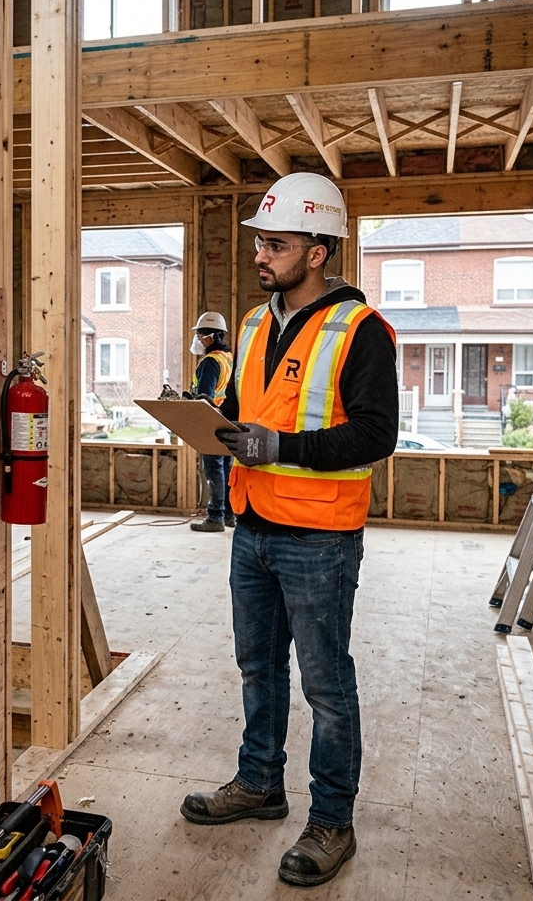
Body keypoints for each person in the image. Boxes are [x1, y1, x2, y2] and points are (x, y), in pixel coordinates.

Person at [179, 172, 399, 888]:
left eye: (274, 243)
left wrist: (282, 448)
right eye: (259, 243)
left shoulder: (362, 331)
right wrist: (207, 425)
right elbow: (248, 411)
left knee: (327, 686)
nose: (260, 255)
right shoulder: (250, 323)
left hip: (321, 538)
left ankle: (332, 822)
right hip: (253, 524)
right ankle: (260, 784)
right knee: (257, 668)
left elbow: (375, 435)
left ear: (317, 251)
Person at [188, 311, 235, 533]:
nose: (199, 340)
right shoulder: (228, 358)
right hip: (227, 418)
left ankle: (215, 517)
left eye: (201, 336)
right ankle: (228, 514)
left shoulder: (210, 362)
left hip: (211, 420)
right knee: (225, 467)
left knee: (213, 467)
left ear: (211, 337)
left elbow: (205, 395)